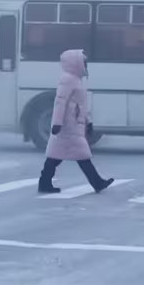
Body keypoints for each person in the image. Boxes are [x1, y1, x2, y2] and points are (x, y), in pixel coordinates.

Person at [38, 49, 115, 194]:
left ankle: (45, 183)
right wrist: (57, 123)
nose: (85, 64)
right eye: (83, 62)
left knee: (57, 156)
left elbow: (80, 104)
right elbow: (60, 102)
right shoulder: (68, 79)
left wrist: (88, 122)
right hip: (68, 125)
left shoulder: (75, 79)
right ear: (75, 63)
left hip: (72, 124)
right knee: (80, 155)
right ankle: (97, 182)